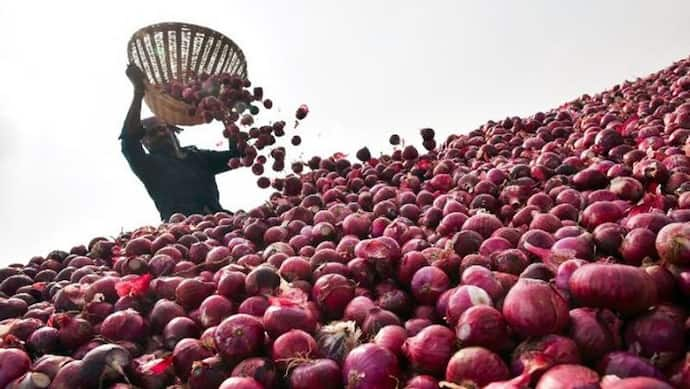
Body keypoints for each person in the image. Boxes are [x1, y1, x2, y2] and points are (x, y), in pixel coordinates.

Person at [121, 63, 242, 221]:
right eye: (151, 133)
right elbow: (128, 141)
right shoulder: (147, 165)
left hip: (218, 222)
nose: (160, 133)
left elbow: (237, 157)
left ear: (172, 130)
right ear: (144, 142)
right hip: (180, 232)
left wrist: (226, 114)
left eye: (162, 128)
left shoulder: (197, 156)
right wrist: (139, 92)